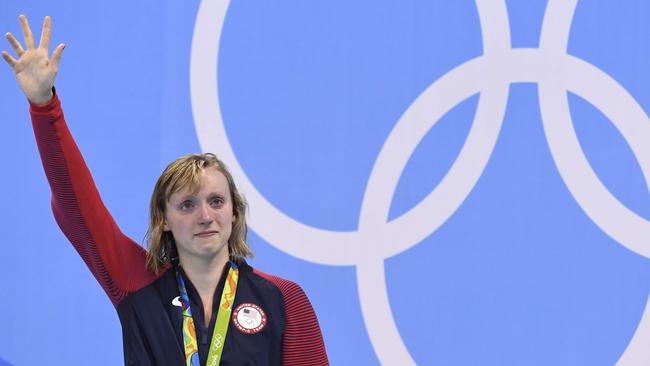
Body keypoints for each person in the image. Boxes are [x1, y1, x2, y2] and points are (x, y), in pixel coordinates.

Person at [3, 15, 328, 366]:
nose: (205, 216)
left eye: (216, 201)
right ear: (165, 219)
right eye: (187, 205)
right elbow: (77, 207)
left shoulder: (283, 299)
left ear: (234, 212)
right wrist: (44, 106)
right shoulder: (133, 282)